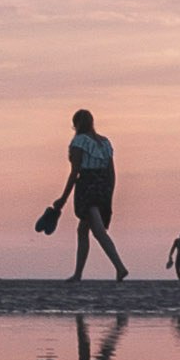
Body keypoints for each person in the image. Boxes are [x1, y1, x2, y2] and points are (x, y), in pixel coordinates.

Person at [47, 108, 128, 284]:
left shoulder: (79, 142)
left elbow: (75, 172)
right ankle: (78, 274)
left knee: (98, 231)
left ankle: (120, 267)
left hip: (88, 187)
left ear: (76, 125)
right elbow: (112, 172)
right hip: (104, 186)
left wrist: (63, 199)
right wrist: (109, 193)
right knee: (82, 230)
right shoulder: (105, 142)